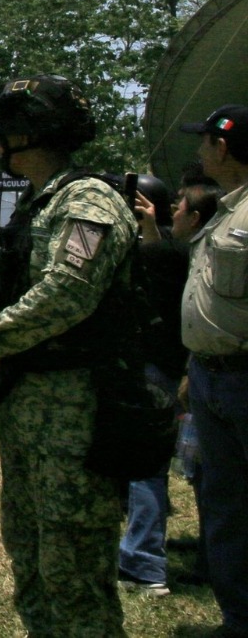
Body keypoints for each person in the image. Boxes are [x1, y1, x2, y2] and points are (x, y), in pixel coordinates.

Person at [0, 75, 137, 638]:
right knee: (30, 557)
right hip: (30, 407)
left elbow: (68, 292)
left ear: (28, 134)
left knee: (72, 569)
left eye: (5, 131)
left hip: (75, 410)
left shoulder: (88, 201)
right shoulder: (39, 204)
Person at [119, 178, 215, 597]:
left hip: (159, 371)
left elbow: (151, 260)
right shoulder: (193, 254)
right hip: (188, 370)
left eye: (180, 206)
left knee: (145, 469)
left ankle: (144, 563)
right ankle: (213, 557)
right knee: (207, 475)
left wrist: (146, 228)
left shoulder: (171, 255)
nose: (176, 209)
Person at [177, 104, 248, 636]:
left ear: (222, 148)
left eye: (204, 142)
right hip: (210, 375)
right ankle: (237, 620)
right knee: (224, 506)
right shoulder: (226, 210)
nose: (199, 151)